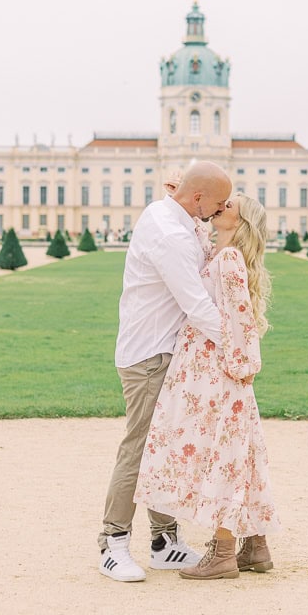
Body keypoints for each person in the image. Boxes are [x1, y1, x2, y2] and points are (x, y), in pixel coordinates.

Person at [97, 160, 232, 583]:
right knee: (140, 449)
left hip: (163, 351)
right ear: (196, 197)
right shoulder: (172, 233)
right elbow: (196, 305)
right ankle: (112, 542)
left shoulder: (171, 214)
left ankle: (163, 542)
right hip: (149, 355)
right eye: (217, 202)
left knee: (166, 449)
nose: (221, 209)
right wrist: (238, 345)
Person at [135, 193, 280, 581]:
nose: (221, 206)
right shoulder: (220, 251)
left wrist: (243, 363)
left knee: (221, 455)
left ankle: (222, 553)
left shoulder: (229, 259)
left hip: (216, 367)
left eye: (230, 205)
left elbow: (240, 317)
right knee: (239, 451)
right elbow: (191, 221)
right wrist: (176, 194)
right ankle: (256, 546)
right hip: (214, 362)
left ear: (240, 221)